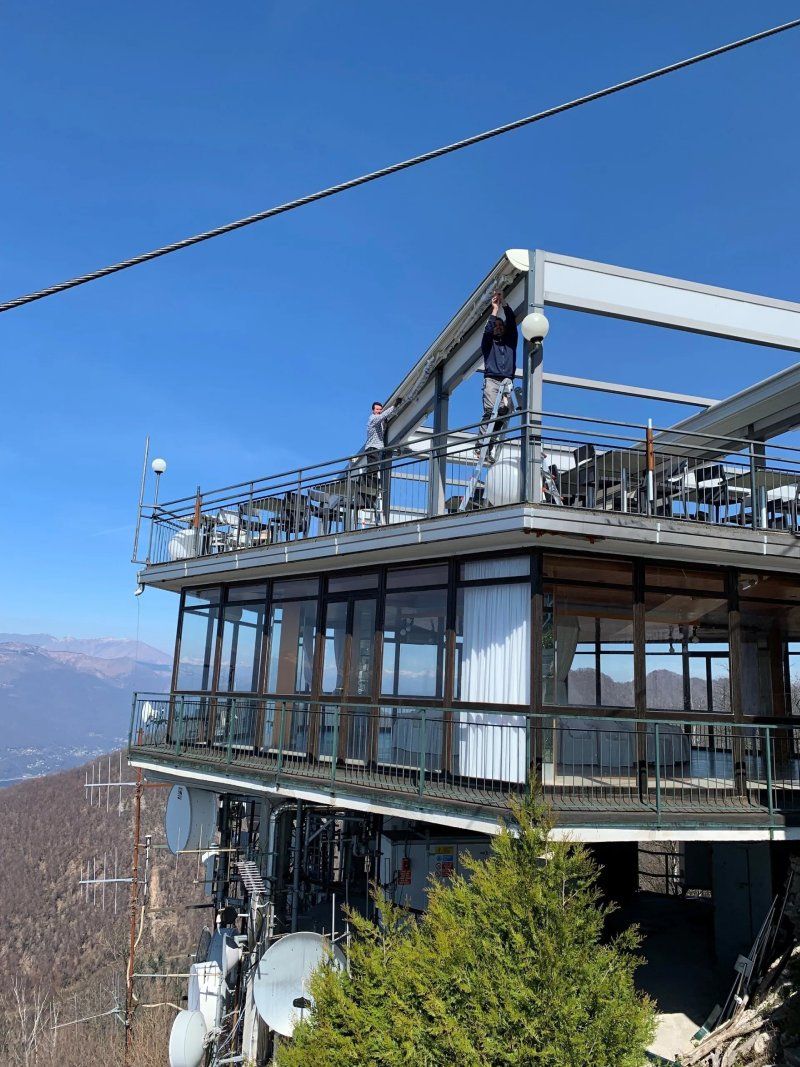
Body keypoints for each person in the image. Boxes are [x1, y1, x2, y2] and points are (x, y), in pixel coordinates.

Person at [478, 291, 518, 463]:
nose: (499, 328)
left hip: (507, 381)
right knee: (490, 412)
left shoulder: (510, 342)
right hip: (492, 380)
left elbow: (513, 325)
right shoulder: (489, 344)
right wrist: (495, 309)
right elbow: (488, 330)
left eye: (501, 326)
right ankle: (481, 447)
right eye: (497, 326)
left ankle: (490, 444)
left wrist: (505, 304)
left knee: (503, 412)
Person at [364, 397, 402, 523]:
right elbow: (381, 417)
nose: (379, 411)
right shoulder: (372, 418)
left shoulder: (379, 421)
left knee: (374, 473)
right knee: (373, 473)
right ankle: (370, 498)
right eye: (377, 409)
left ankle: (372, 497)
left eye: (380, 409)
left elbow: (382, 427)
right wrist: (394, 406)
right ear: (373, 410)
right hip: (372, 449)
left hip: (377, 449)